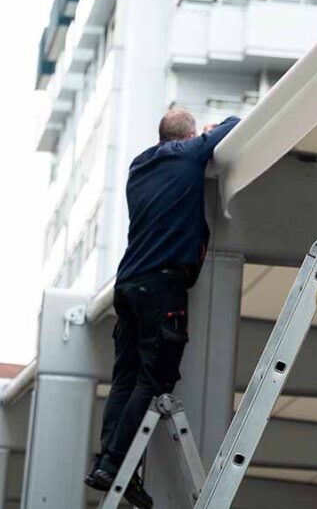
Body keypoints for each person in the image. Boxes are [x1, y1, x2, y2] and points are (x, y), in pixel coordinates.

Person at [84, 109, 240, 508]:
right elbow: (234, 123)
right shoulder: (189, 153)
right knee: (154, 379)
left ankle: (109, 463)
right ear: (188, 135)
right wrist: (211, 131)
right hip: (161, 285)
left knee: (125, 378)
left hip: (128, 284)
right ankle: (114, 465)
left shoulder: (139, 167)